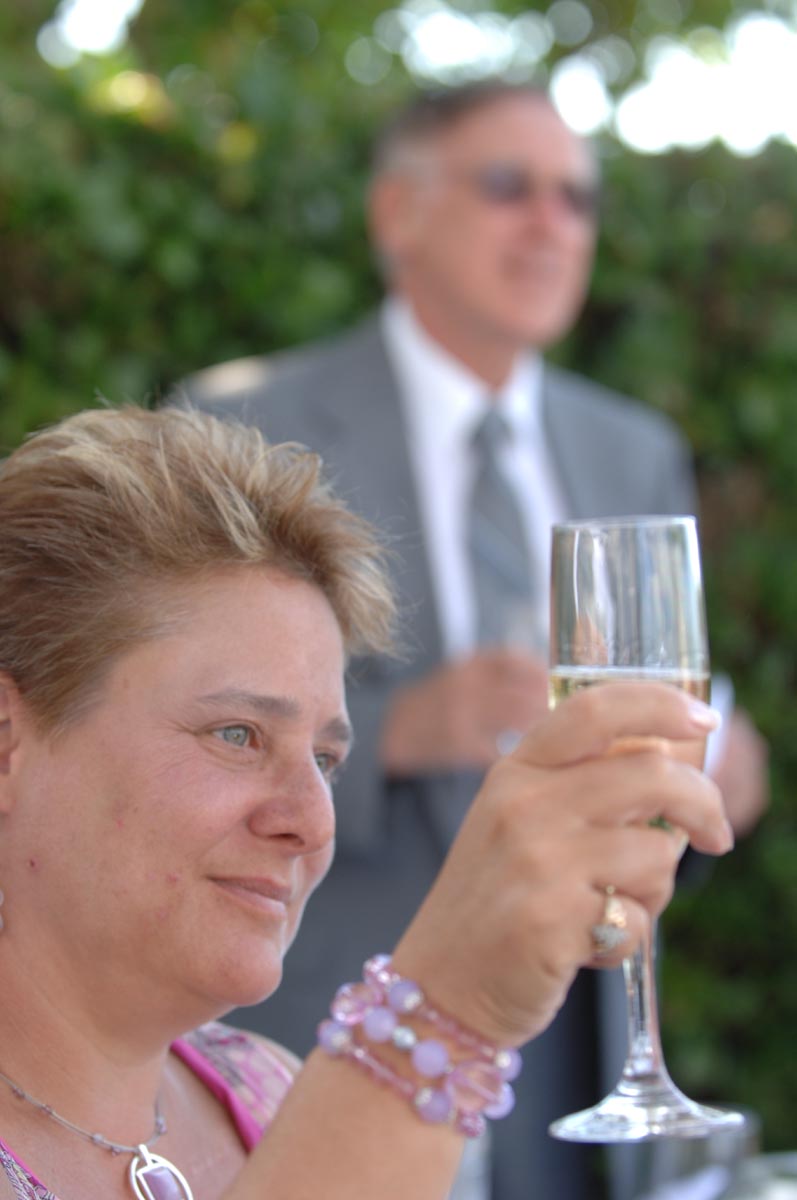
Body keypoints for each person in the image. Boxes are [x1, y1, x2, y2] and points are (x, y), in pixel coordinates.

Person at [176, 81, 768, 1198]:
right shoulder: (244, 426)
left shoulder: (629, 446)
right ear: (397, 213)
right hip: (334, 1039)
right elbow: (182, 740)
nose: (551, 224)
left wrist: (720, 766)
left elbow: (670, 702)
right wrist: (399, 728)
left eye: (576, 198)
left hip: (579, 1045)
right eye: (509, 187)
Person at [0, 403, 734, 1200]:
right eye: (237, 735)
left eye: (326, 761)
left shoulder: (270, 1093)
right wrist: (440, 1011)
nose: (311, 821)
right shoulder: (327, 1112)